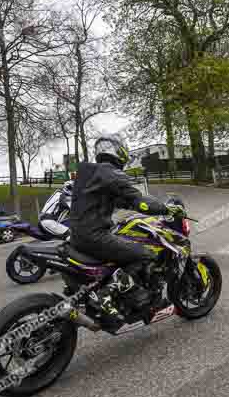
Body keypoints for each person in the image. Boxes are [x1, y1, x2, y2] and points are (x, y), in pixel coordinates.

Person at [68, 133, 184, 327]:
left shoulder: (90, 172)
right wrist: (166, 208)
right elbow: (140, 202)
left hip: (78, 236)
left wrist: (133, 204)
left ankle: (123, 295)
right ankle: (107, 295)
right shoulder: (111, 172)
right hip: (95, 236)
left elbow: (121, 200)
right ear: (117, 150)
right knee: (145, 254)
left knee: (123, 249)